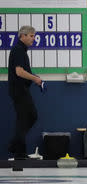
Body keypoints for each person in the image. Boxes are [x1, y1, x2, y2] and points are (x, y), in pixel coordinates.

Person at [8, 25, 43, 160]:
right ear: (22, 36)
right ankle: (18, 151)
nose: (33, 38)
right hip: (18, 90)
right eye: (31, 35)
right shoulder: (18, 50)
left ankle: (16, 146)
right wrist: (35, 79)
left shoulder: (22, 50)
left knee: (30, 117)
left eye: (34, 35)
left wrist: (34, 77)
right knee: (25, 119)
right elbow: (19, 72)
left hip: (21, 90)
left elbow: (23, 71)